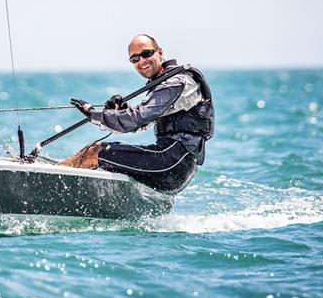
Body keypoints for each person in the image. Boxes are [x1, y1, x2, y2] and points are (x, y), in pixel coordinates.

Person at [59, 33, 214, 193]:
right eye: (134, 59)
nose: (141, 61)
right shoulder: (163, 84)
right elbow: (139, 124)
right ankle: (63, 173)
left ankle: (55, 176)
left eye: (146, 54)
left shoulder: (175, 82)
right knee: (101, 158)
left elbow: (138, 118)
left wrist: (93, 114)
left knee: (95, 151)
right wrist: (120, 112)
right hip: (174, 166)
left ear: (159, 52)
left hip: (172, 163)